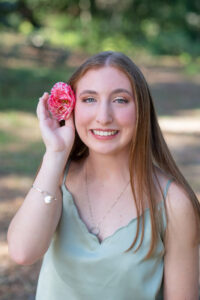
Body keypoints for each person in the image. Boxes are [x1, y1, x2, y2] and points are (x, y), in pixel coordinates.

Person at [7, 51, 200, 300]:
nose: (103, 117)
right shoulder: (56, 176)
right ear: (71, 108)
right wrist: (56, 152)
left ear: (141, 110)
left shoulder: (174, 203)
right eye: (89, 99)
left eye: (120, 100)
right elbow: (23, 252)